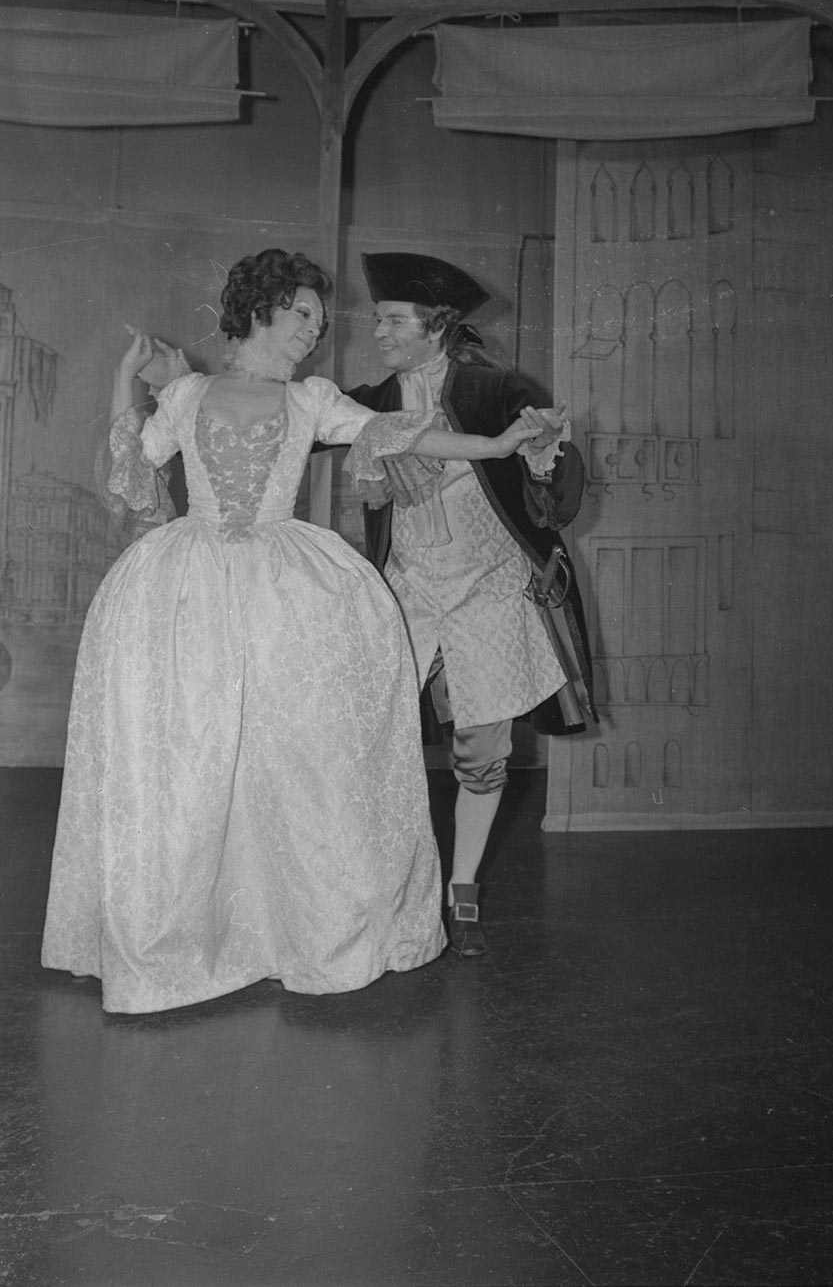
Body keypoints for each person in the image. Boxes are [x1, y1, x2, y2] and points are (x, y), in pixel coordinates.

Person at [40, 248, 555, 1015]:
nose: (316, 330)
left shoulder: (314, 399)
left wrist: (491, 446)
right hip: (190, 590)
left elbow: (400, 434)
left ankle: (290, 929)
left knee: (294, 759)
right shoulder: (187, 396)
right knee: (194, 757)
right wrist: (125, 381)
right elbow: (133, 477)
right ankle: (188, 933)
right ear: (262, 310)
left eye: (319, 318)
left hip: (287, 591)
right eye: (304, 313)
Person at [345, 252, 595, 958]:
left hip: (487, 587)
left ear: (436, 325)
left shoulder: (494, 389)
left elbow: (553, 498)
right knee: (378, 732)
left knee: (482, 746)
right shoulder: (370, 403)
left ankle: (462, 893)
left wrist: (544, 451)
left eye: (394, 320)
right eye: (379, 319)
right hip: (408, 588)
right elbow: (299, 427)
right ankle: (385, 886)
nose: (379, 331)